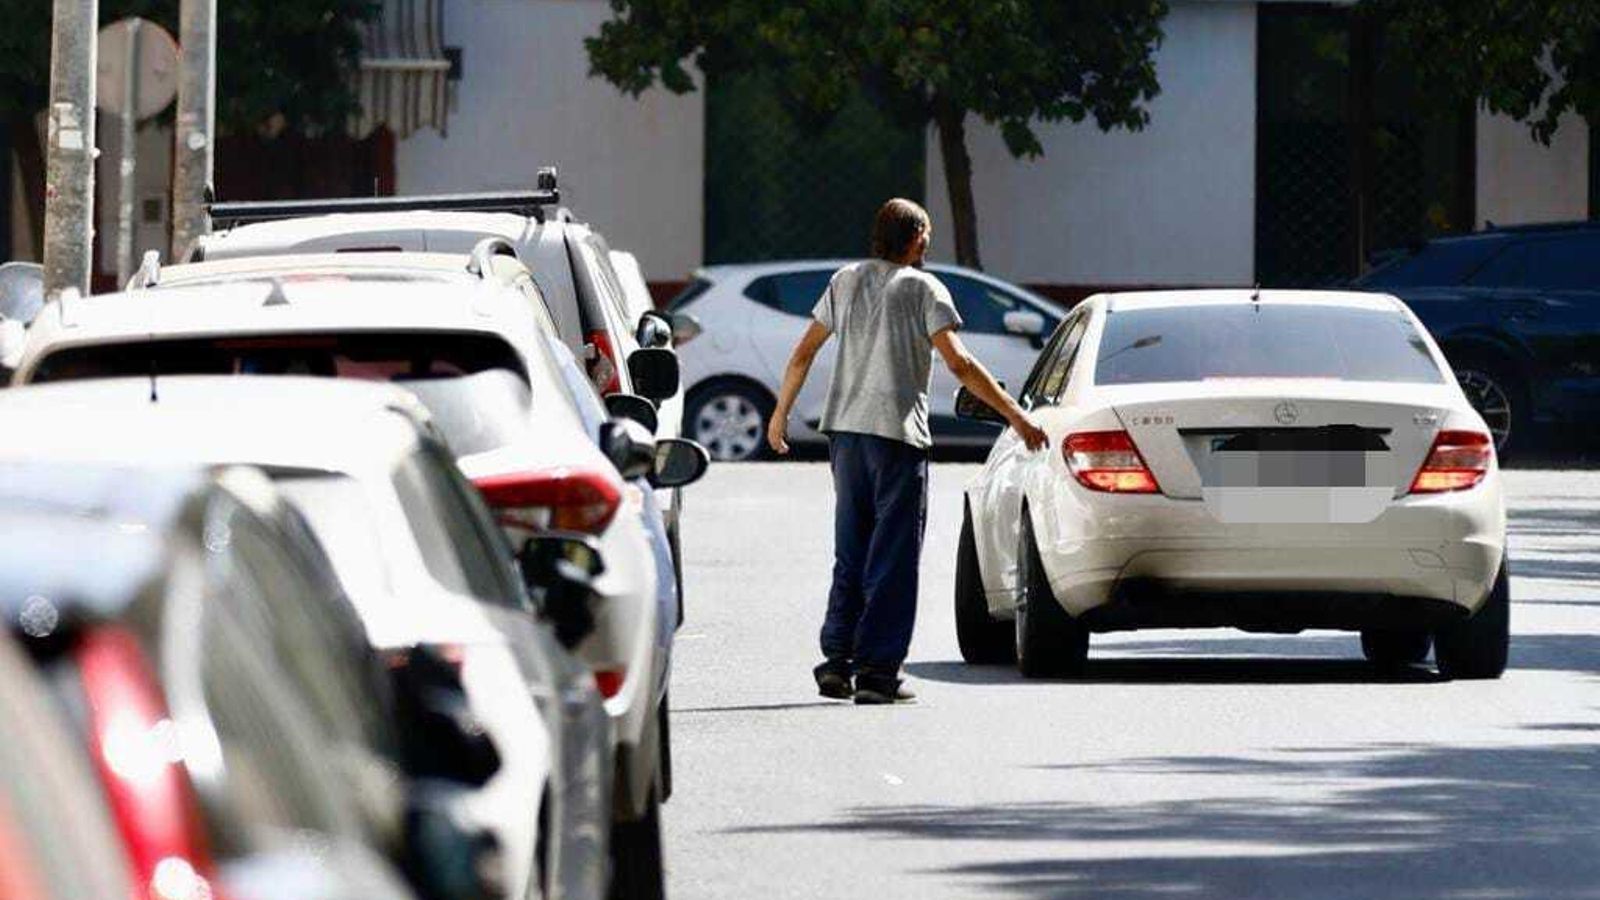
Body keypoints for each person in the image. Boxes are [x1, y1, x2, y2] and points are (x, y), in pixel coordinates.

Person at [766, 198, 1049, 705]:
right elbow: (960, 365)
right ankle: (877, 673)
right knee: (893, 559)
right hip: (897, 438)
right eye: (927, 236)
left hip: (846, 436)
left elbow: (804, 352)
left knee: (851, 550)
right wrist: (1017, 416)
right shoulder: (924, 289)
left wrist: (779, 413)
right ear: (917, 238)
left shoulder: (845, 280)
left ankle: (837, 661)